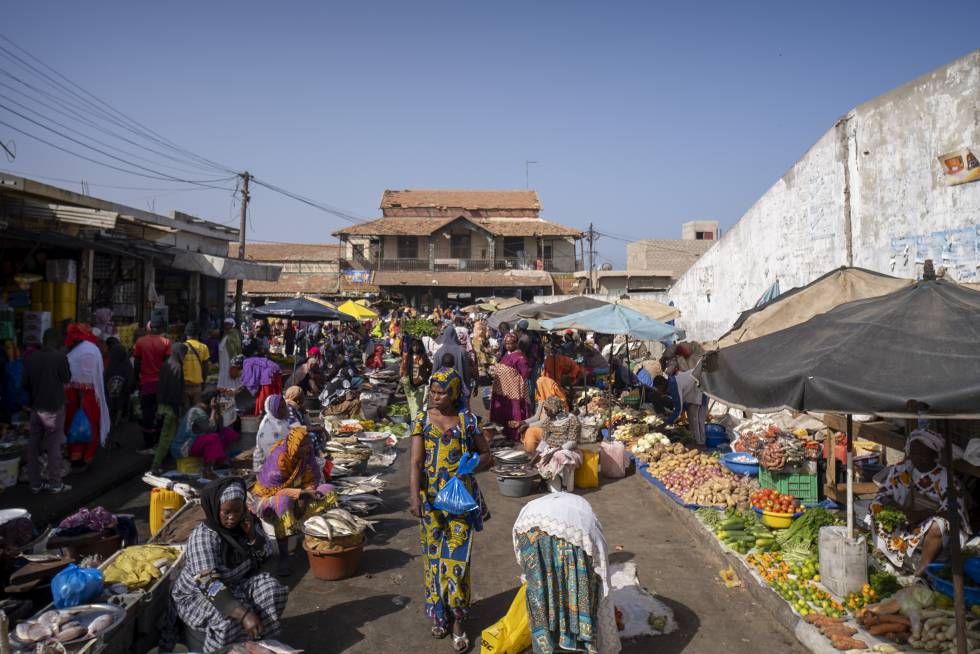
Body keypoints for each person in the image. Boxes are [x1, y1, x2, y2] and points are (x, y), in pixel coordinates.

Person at [408, 368, 491, 652]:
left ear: (454, 393)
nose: (435, 396)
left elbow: (487, 454)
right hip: (431, 503)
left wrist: (472, 465)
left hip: (460, 501)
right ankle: (439, 614)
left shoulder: (468, 422)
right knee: (433, 561)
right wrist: (414, 495)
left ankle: (457, 621)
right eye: (433, 391)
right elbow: (416, 463)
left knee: (456, 563)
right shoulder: (422, 420)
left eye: (441, 392)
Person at [171, 478, 287, 653]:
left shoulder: (245, 524)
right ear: (214, 508)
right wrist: (244, 614)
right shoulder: (204, 537)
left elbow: (265, 556)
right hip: (197, 594)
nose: (232, 517)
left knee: (272, 590)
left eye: (237, 511)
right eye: (226, 512)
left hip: (234, 585)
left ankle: (259, 644)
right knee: (227, 618)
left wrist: (252, 536)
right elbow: (207, 582)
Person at [512, 493, 620, 654]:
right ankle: (578, 642)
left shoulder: (530, 508)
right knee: (581, 590)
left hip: (529, 530)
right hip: (574, 535)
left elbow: (521, 556)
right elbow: (601, 566)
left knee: (541, 595)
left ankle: (547, 644)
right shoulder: (585, 513)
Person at [869, 430, 971, 577]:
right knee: (876, 507)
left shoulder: (946, 478)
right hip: (906, 519)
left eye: (922, 453)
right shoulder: (902, 469)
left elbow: (953, 511)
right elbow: (884, 493)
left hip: (931, 526)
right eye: (913, 453)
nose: (916, 457)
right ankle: (890, 560)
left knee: (938, 526)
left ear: (934, 455)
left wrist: (921, 515)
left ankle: (921, 572)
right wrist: (895, 508)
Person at [250, 426, 335, 576]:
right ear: (294, 445)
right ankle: (284, 557)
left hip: (298, 495)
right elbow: (275, 490)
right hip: (267, 499)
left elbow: (312, 479)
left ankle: (318, 536)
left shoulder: (307, 456)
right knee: (283, 502)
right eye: (303, 445)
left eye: (309, 443)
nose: (308, 448)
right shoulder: (279, 458)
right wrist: (302, 493)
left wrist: (307, 494)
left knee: (328, 490)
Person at [21, 328, 71, 494]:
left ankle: (35, 483)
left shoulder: (31, 357)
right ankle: (55, 483)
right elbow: (66, 378)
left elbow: (25, 384)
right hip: (53, 407)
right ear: (57, 342)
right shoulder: (59, 357)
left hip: (36, 408)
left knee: (33, 446)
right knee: (53, 446)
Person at [64, 323, 110, 467]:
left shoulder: (77, 350)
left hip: (77, 395)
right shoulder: (90, 349)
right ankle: (86, 456)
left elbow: (80, 377)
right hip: (87, 395)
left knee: (75, 424)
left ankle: (76, 456)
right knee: (88, 424)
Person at [171, 389, 239, 478]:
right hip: (185, 445)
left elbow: (219, 428)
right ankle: (207, 469)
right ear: (213, 400)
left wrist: (218, 411)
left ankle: (219, 462)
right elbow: (210, 429)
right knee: (213, 438)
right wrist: (214, 411)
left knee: (228, 433)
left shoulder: (208, 409)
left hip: (197, 441)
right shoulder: (196, 411)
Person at [523, 396, 583, 492]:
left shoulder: (572, 419)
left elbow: (572, 442)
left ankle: (564, 485)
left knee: (558, 456)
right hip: (551, 449)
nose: (546, 413)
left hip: (569, 451)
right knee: (542, 458)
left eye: (547, 410)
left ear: (555, 408)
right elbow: (544, 440)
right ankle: (546, 480)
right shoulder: (549, 420)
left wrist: (552, 452)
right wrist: (532, 461)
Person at [133, 319, 171, 452]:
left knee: (147, 413)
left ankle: (148, 443)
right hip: (160, 384)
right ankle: (159, 441)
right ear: (160, 329)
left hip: (146, 383)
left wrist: (135, 379)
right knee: (161, 412)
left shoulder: (140, 342)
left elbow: (137, 362)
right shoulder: (166, 342)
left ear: (149, 328)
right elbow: (167, 364)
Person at [151, 344, 186, 474]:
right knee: (165, 438)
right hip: (171, 407)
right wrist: (178, 407)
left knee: (166, 436)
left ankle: (166, 461)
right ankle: (156, 465)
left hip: (162, 405)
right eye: (184, 354)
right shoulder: (177, 367)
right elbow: (175, 391)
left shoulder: (166, 364)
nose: (185, 357)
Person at [490, 332, 531, 442]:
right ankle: (505, 433)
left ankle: (516, 434)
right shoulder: (507, 354)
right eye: (506, 343)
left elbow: (525, 374)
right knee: (505, 412)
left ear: (516, 343)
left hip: (514, 391)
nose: (508, 345)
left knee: (515, 412)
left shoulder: (520, 357)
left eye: (511, 343)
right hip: (503, 391)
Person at [652, 370, 706, 445]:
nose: (659, 391)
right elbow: (680, 403)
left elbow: (678, 409)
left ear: (662, 385)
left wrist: (664, 424)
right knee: (691, 421)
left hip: (700, 393)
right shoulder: (670, 383)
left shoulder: (673, 386)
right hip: (692, 395)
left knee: (697, 421)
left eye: (658, 388)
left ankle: (701, 443)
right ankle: (695, 440)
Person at [104, 337, 134, 447]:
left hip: (110, 398)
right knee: (121, 418)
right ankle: (117, 439)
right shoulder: (127, 365)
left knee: (111, 416)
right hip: (123, 398)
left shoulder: (110, 365)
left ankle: (108, 437)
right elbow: (130, 381)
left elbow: (105, 380)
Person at [433, 326, 474, 399]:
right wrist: (467, 388)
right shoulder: (462, 351)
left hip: (443, 391)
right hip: (459, 389)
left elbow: (434, 373)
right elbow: (466, 372)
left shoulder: (438, 353)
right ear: (455, 335)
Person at [253, 395, 290, 472]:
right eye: (280, 408)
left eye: (284, 406)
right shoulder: (268, 428)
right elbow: (272, 455)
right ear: (273, 409)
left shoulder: (281, 421)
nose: (284, 410)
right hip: (270, 468)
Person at [240, 350, 282, 416]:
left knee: (265, 398)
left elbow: (251, 380)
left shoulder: (246, 363)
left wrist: (244, 386)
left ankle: (262, 415)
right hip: (275, 371)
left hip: (269, 375)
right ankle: (276, 413)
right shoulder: (250, 360)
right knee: (275, 397)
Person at [400, 337, 433, 420]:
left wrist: (425, 376)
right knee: (412, 403)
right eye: (414, 345)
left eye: (417, 346)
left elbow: (431, 367)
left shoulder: (423, 357)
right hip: (409, 384)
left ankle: (416, 421)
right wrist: (403, 378)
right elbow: (403, 369)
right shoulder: (408, 357)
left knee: (418, 404)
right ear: (411, 346)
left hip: (420, 384)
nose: (415, 347)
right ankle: (416, 420)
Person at [182, 322, 210, 408]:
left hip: (184, 385)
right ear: (198, 334)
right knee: (196, 412)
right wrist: (203, 382)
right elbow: (205, 368)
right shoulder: (203, 347)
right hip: (197, 386)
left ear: (186, 334)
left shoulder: (181, 347)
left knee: (185, 413)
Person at [217, 318, 241, 391]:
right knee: (224, 369)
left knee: (230, 370)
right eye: (225, 324)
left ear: (232, 325)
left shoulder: (234, 333)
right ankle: (224, 385)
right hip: (223, 357)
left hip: (231, 356)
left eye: (228, 324)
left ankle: (231, 386)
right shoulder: (225, 333)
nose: (226, 325)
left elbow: (237, 345)